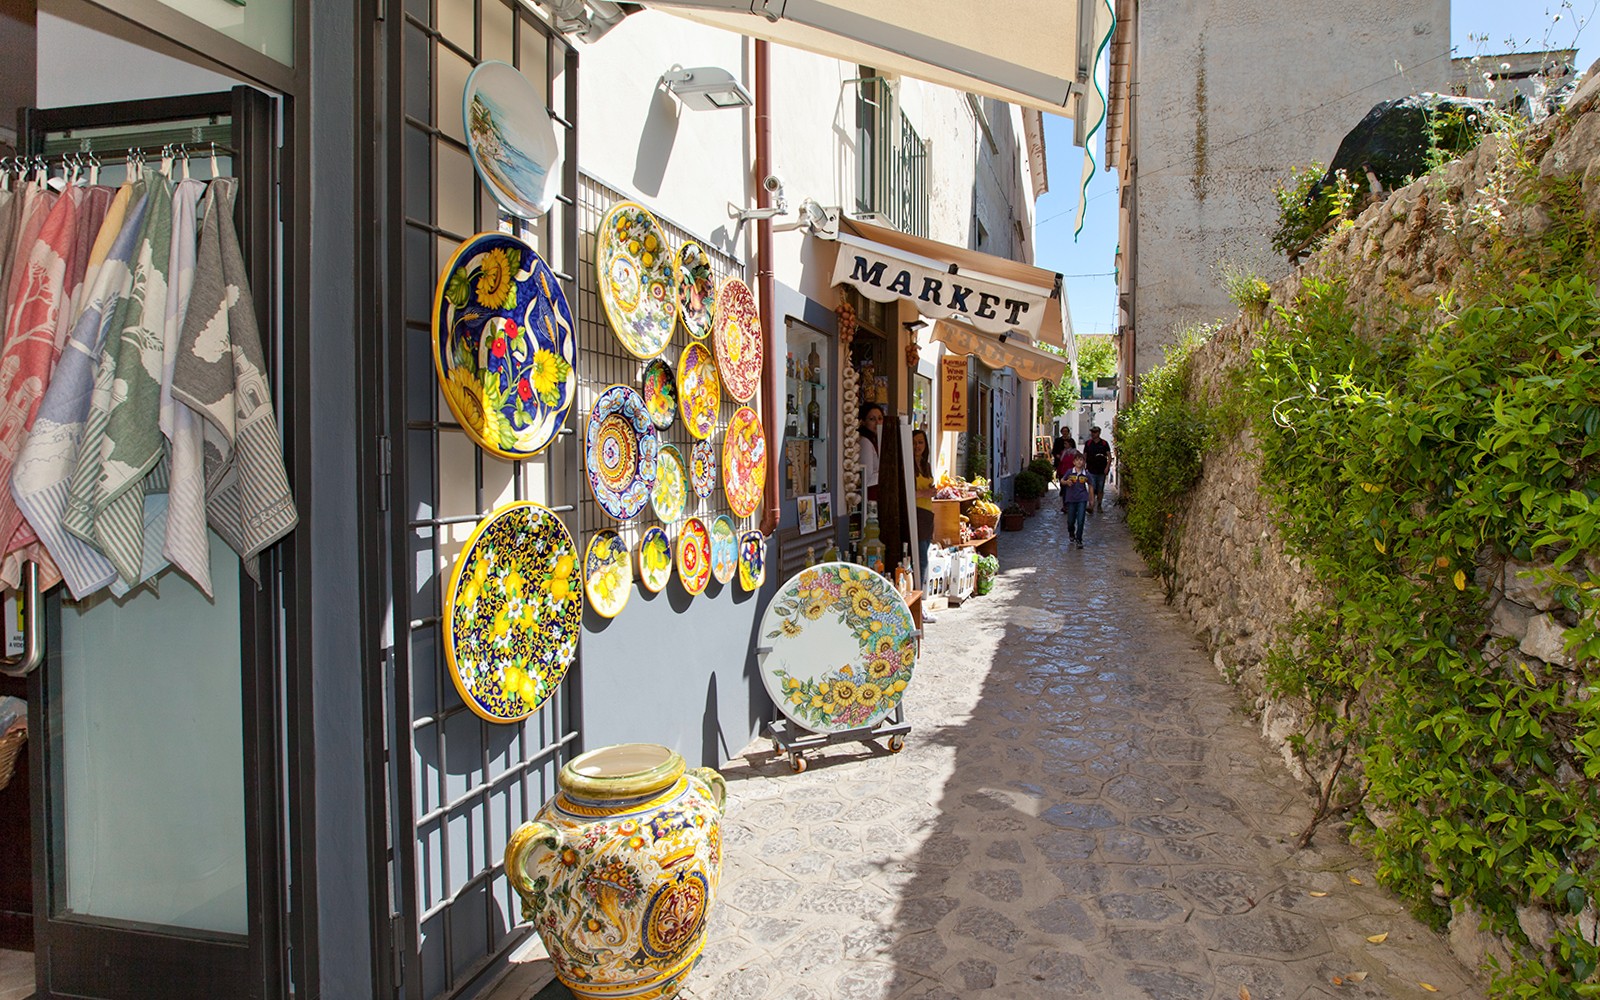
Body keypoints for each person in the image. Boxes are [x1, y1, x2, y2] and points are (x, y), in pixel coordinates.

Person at [911, 428, 937, 622]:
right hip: (916, 515)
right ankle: (918, 605)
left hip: (927, 516)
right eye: (914, 442)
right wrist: (924, 494)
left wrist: (930, 491)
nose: (917, 446)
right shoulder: (909, 465)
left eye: (920, 442)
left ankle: (921, 603)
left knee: (924, 558)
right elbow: (907, 493)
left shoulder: (925, 465)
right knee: (920, 561)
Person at [1059, 453, 1090, 549]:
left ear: (1084, 462)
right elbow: (1062, 480)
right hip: (1071, 499)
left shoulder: (1086, 473)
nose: (1079, 462)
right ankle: (1071, 532)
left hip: (1082, 498)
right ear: (1074, 462)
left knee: (1081, 520)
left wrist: (1091, 499)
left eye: (1081, 460)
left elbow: (1091, 485)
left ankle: (1079, 539)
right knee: (1070, 520)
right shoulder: (1069, 472)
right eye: (1077, 460)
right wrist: (1066, 482)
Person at [1083, 425, 1112, 514]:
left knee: (1100, 489)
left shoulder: (1104, 443)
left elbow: (1109, 457)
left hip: (1101, 470)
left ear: (1098, 433)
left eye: (1094, 432)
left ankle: (1099, 504)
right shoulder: (1088, 443)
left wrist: (1107, 467)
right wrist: (1083, 467)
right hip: (1091, 469)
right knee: (1091, 488)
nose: (1093, 434)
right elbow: (1084, 456)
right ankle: (1091, 505)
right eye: (1092, 432)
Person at [858, 403, 884, 502]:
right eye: (872, 419)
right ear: (864, 422)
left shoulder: (877, 441)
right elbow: (867, 478)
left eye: (880, 418)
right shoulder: (865, 442)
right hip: (870, 497)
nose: (877, 422)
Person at [1054, 436, 1079, 512]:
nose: (1064, 445)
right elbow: (1061, 463)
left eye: (1066, 444)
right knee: (1064, 491)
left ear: (1070, 444)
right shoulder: (1063, 452)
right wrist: (1058, 472)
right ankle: (1065, 506)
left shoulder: (1075, 453)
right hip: (1063, 473)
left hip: (1073, 474)